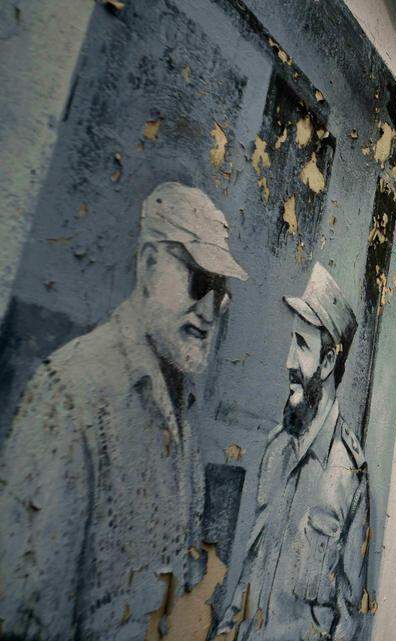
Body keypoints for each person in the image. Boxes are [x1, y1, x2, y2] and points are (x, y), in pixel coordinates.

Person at [0, 182, 247, 639]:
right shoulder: (73, 392)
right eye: (198, 280)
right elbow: (27, 615)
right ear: (150, 265)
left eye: (222, 291)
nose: (210, 311)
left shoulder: (180, 402)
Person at [221, 263, 369, 641]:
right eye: (292, 342)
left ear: (329, 361)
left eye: (302, 345)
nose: (288, 361)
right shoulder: (276, 448)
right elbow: (249, 575)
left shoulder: (349, 476)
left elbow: (347, 617)